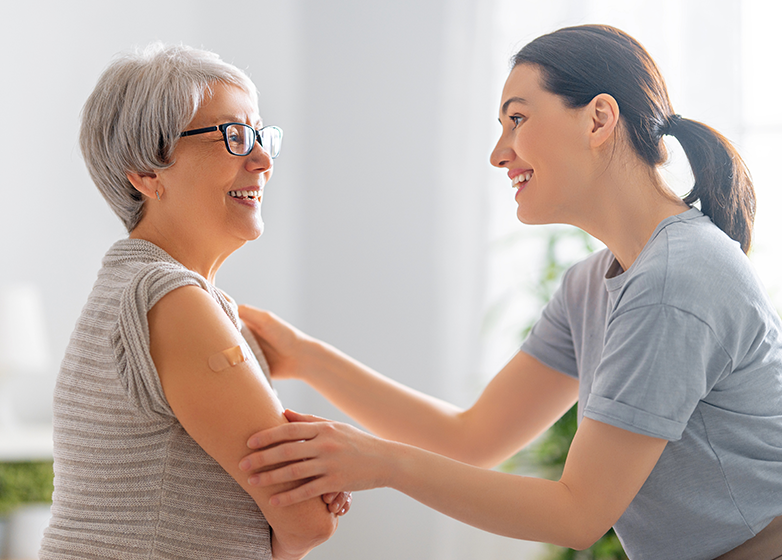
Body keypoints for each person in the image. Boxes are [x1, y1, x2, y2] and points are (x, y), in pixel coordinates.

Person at [237, 24, 782, 560]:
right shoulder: (590, 286)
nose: (499, 154)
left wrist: (380, 462)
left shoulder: (675, 280)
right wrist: (302, 357)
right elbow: (470, 438)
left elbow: (577, 514)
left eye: (517, 119)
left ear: (598, 119)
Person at [39, 43, 349, 560]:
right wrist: (305, 503)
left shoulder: (142, 292)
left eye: (259, 134)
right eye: (232, 136)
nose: (263, 159)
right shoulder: (172, 299)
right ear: (146, 173)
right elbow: (308, 522)